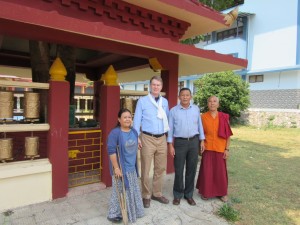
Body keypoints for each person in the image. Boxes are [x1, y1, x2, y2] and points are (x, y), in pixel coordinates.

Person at [133, 75, 170, 208]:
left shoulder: (165, 102)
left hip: (162, 138)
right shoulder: (142, 101)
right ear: (150, 85)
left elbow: (167, 119)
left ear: (161, 87)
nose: (156, 87)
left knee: (160, 168)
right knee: (146, 168)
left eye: (158, 85)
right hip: (147, 137)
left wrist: (168, 138)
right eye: (154, 84)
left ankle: (157, 193)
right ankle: (146, 195)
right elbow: (136, 120)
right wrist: (136, 137)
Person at [167, 88, 205, 206]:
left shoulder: (196, 109)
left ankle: (189, 195)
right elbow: (170, 129)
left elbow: (200, 125)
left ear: (191, 97)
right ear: (179, 97)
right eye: (182, 95)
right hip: (179, 143)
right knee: (178, 170)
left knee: (191, 169)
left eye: (187, 95)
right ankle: (177, 194)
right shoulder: (173, 111)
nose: (185, 97)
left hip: (194, 142)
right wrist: (170, 145)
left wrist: (202, 140)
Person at [107, 108, 145, 223]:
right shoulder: (115, 133)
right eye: (125, 117)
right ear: (119, 119)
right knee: (118, 191)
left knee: (132, 190)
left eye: (129, 117)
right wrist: (116, 168)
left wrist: (138, 141)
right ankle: (113, 214)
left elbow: (135, 138)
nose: (128, 119)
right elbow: (111, 151)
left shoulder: (133, 131)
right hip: (121, 168)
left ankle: (132, 210)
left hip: (131, 167)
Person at [196, 96, 233, 202]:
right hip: (207, 148)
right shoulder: (203, 117)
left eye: (214, 101)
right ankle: (206, 192)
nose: (212, 103)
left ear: (218, 104)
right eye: (210, 101)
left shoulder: (224, 117)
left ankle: (222, 193)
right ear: (207, 104)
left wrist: (227, 149)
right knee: (207, 171)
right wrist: (201, 142)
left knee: (220, 172)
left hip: (220, 148)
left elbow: (228, 135)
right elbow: (200, 132)